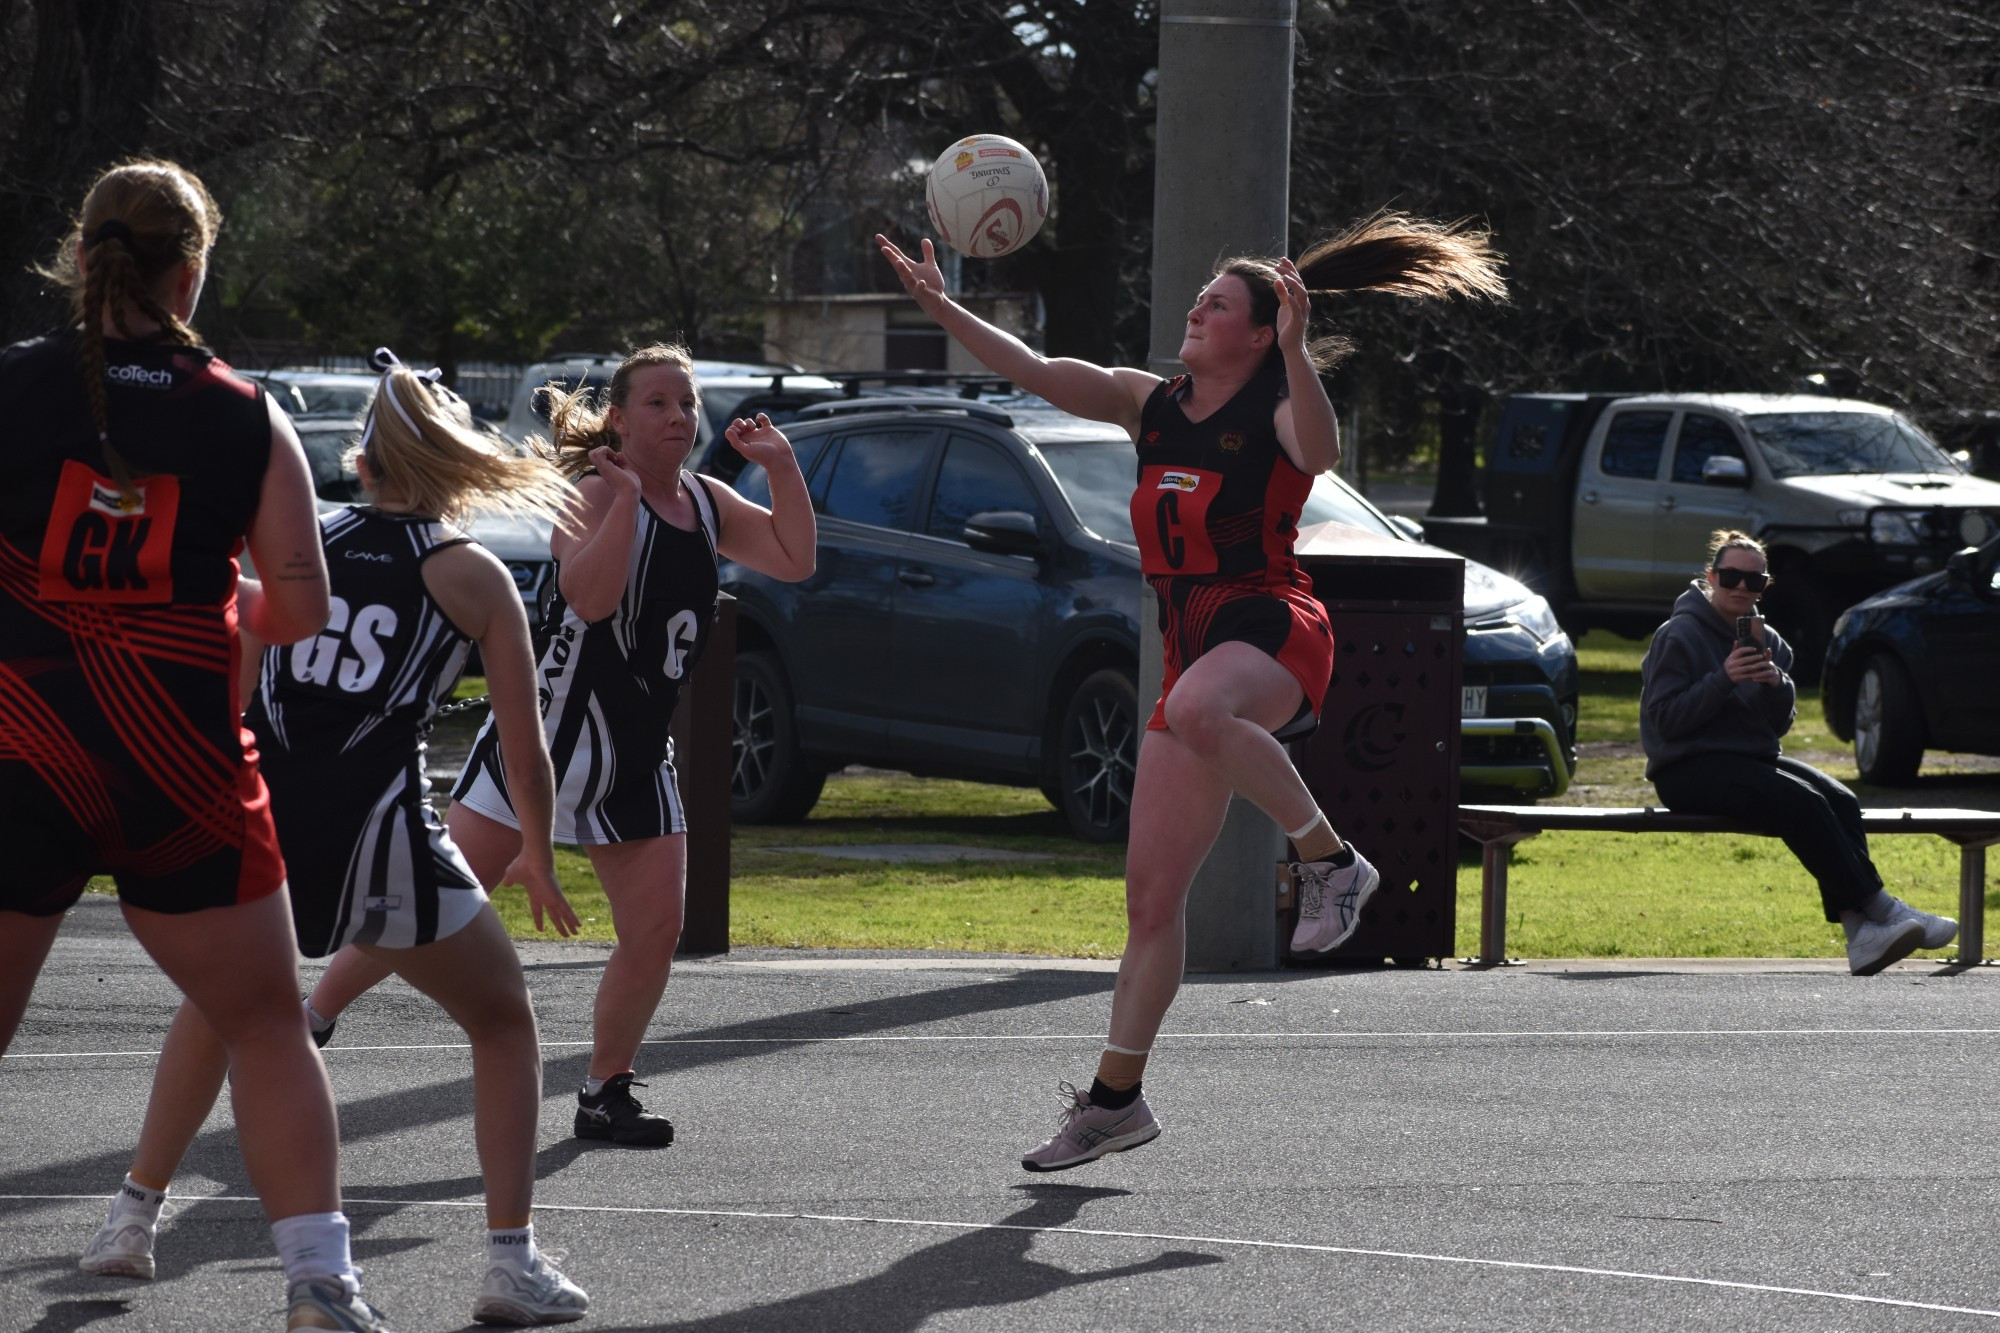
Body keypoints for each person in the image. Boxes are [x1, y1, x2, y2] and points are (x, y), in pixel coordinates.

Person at [875, 214, 1507, 1170]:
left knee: (1210, 711)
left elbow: (1324, 449)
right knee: (1150, 902)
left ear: (1259, 333)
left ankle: (1331, 860)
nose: (1196, 311)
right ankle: (1115, 1101)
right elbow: (1037, 370)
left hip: (1271, 624)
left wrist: (1298, 353)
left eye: (1217, 306)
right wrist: (941, 305)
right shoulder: (1152, 402)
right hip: (1190, 643)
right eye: (1199, 301)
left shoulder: (1278, 409)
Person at [78, 353, 593, 1324]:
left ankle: (129, 1221)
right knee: (502, 1021)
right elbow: (524, 756)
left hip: (264, 821)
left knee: (226, 1008)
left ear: (361, 462)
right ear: (447, 460)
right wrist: (538, 851)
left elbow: (232, 689)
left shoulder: (300, 541)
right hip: (380, 834)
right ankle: (509, 1260)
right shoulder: (470, 574)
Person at [0, 161, 395, 1330]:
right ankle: (320, 1284)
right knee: (268, 1022)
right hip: (177, 763)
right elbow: (301, 602)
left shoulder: (13, 389)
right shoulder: (241, 409)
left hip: (27, 750)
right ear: (194, 270)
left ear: (82, 258)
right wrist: (212, 613)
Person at [306, 343, 817, 1146]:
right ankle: (314, 1014)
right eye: (658, 402)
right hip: (544, 743)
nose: (680, 416)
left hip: (636, 754)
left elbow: (794, 557)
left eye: (687, 403)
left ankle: (604, 1089)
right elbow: (589, 596)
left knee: (655, 931)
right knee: (423, 905)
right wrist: (619, 504)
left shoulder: (709, 503)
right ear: (618, 417)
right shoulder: (589, 491)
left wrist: (782, 468)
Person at [1640, 529, 1957, 975]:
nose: (1740, 588)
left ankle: (1859, 934)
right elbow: (1665, 722)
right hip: (1686, 769)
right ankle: (1882, 910)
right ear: (1711, 577)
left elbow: (1777, 726)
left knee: (1843, 801)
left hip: (1749, 760)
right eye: (1730, 576)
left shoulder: (1767, 640)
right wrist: (1723, 679)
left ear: (1764, 586)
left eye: (1753, 581)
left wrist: (1775, 687)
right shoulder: (1678, 635)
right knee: (1800, 802)